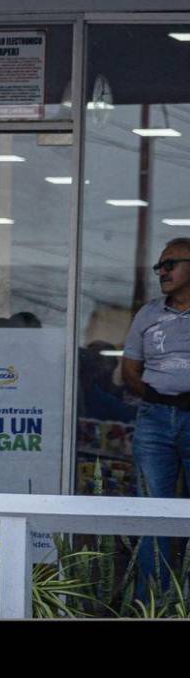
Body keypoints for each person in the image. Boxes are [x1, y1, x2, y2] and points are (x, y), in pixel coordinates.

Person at [121, 237, 190, 598]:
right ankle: (151, 604)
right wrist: (157, 396)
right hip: (155, 418)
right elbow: (130, 367)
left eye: (171, 264)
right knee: (152, 509)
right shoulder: (149, 313)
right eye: (159, 266)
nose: (162, 272)